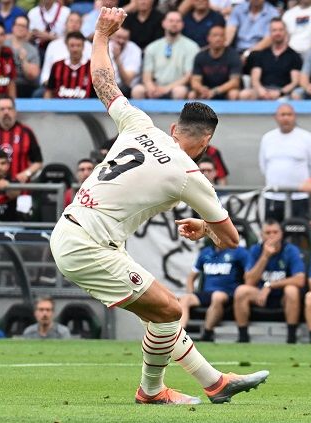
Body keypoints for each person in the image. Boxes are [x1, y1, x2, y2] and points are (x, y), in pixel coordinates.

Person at [50, 7, 268, 405]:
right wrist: (205, 228)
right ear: (205, 145)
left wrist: (101, 35)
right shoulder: (190, 174)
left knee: (163, 313)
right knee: (169, 311)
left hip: (71, 231)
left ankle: (214, 382)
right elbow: (232, 239)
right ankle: (152, 391)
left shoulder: (139, 124)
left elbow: (103, 81)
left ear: (173, 129)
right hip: (87, 246)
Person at [233, 219, 305, 344]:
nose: (272, 235)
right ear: (262, 235)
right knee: (241, 291)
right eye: (268, 232)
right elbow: (249, 281)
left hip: (282, 295)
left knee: (292, 290)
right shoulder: (256, 250)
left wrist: (270, 285)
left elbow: (300, 279)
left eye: (275, 232)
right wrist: (265, 256)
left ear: (281, 234)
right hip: (260, 295)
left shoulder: (291, 250)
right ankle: (243, 337)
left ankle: (291, 338)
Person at [259, 103, 311, 223]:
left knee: (298, 235)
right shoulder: (268, 138)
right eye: (282, 115)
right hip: (273, 197)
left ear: (295, 116)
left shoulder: (307, 138)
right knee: (272, 234)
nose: (286, 118)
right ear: (276, 117)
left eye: (289, 114)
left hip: (299, 197)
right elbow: (263, 166)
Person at [179, 241, 251, 342]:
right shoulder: (205, 252)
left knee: (217, 297)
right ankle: (181, 335)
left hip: (228, 292)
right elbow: (191, 277)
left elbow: (249, 274)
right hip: (207, 292)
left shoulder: (239, 251)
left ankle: (207, 333)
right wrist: (191, 292)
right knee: (185, 299)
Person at [131, 11, 200, 100]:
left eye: (178, 21)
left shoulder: (192, 46)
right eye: (171, 21)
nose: (174, 24)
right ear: (163, 23)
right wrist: (150, 87)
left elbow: (188, 76)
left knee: (179, 91)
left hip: (177, 87)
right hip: (156, 86)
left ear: (182, 24)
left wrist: (166, 89)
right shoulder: (152, 47)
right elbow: (146, 74)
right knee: (137, 90)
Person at [242, 17, 302, 100]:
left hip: (283, 93)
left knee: (293, 96)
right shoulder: (260, 54)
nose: (277, 33)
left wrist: (280, 93)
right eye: (274, 30)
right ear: (270, 33)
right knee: (245, 94)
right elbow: (255, 79)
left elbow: (294, 82)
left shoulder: (294, 56)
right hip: (262, 91)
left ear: (285, 32)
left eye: (280, 30)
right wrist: (261, 91)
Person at [188, 25, 242, 100]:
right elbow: (195, 81)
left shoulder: (233, 55)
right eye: (215, 35)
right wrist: (201, 89)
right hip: (206, 90)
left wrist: (216, 91)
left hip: (225, 90)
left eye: (221, 36)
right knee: (192, 94)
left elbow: (235, 82)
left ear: (225, 38)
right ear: (208, 38)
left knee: (233, 94)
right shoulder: (200, 56)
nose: (218, 38)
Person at [40, 12, 92, 88]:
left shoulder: (89, 46)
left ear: (81, 25)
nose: (74, 24)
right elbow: (46, 72)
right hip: (56, 86)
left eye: (77, 22)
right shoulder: (53, 45)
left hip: (83, 86)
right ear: (65, 24)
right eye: (71, 21)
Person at [0, 96, 43, 184]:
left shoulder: (26, 132)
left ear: (15, 112)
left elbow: (38, 162)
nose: (6, 112)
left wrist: (27, 173)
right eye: (2, 109)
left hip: (21, 190)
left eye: (9, 109)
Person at [44, 31, 93, 99]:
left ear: (83, 46)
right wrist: (47, 108)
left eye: (78, 45)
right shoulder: (57, 66)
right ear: (67, 46)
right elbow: (49, 91)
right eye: (72, 46)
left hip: (86, 108)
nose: (75, 49)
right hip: (59, 107)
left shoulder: (92, 67)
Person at [5, 16, 42, 98]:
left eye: (23, 26)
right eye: (18, 25)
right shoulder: (4, 44)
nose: (20, 28)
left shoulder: (32, 50)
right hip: (4, 83)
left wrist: (24, 61)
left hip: (24, 84)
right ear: (13, 27)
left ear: (27, 30)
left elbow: (33, 76)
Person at [0, 149, 19, 221]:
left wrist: (8, 186)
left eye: (3, 163)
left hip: (9, 226)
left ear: (8, 165)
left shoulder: (13, 180)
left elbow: (14, 193)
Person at [0, 26, 16, 98]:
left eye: (1, 34)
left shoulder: (7, 52)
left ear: (5, 37)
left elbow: (11, 81)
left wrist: (14, 104)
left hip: (3, 95)